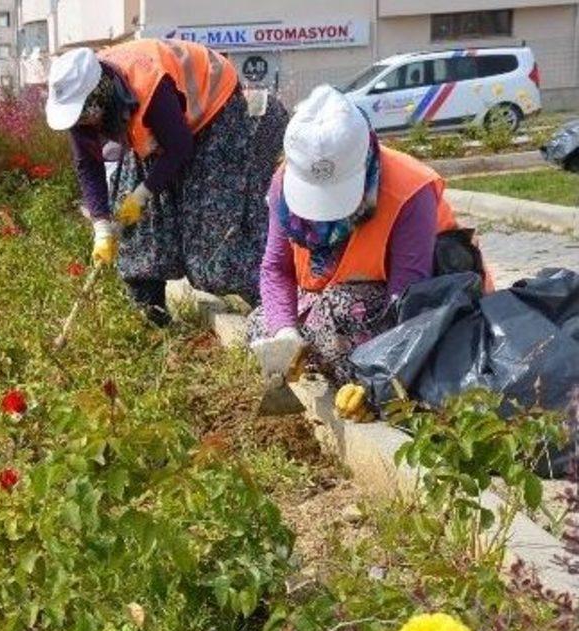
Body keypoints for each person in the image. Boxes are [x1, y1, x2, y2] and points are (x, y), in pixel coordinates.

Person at [249, 85, 475, 400]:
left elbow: (409, 302)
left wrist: (379, 380)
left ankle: (350, 372)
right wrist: (285, 333)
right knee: (263, 323)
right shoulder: (283, 184)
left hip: (419, 304)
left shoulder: (409, 190)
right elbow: (276, 268)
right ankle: (324, 360)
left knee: (340, 312)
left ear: (364, 162)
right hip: (330, 297)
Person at [45, 39, 288, 325]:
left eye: (86, 114)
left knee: (214, 240)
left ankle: (277, 308)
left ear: (100, 93)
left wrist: (143, 193)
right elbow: (88, 164)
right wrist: (101, 226)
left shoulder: (149, 84)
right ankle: (153, 317)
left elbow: (179, 147)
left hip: (216, 112)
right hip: (164, 126)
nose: (84, 123)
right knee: (138, 233)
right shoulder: (84, 109)